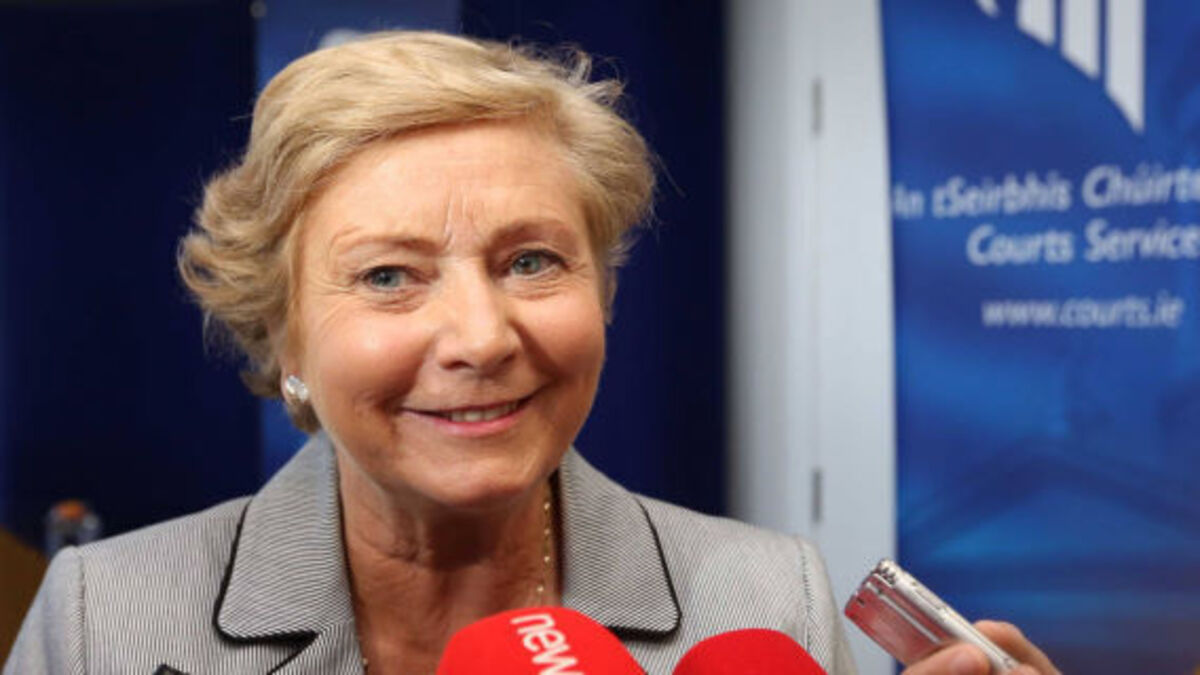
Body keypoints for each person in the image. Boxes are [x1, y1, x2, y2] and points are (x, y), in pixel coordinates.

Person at [3, 31, 1058, 675]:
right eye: (389, 275)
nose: (480, 337)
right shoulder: (105, 620)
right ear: (284, 334)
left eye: (532, 261)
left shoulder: (763, 598)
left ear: (603, 292)